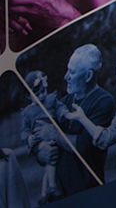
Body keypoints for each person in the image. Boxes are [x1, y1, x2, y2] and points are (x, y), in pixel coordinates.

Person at [43, 45, 115, 198]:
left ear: (88, 76)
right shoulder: (63, 102)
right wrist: (42, 153)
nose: (66, 76)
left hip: (88, 193)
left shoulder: (104, 101)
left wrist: (56, 136)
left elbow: (84, 145)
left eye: (72, 72)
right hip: (60, 195)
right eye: (67, 69)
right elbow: (47, 146)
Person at [21, 71, 58, 204]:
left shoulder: (50, 101)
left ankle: (44, 195)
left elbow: (59, 109)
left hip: (51, 135)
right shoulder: (28, 112)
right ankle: (52, 187)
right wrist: (28, 138)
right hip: (39, 141)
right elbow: (24, 130)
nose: (41, 96)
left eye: (43, 92)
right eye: (37, 94)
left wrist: (64, 112)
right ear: (29, 96)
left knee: (49, 163)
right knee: (50, 153)